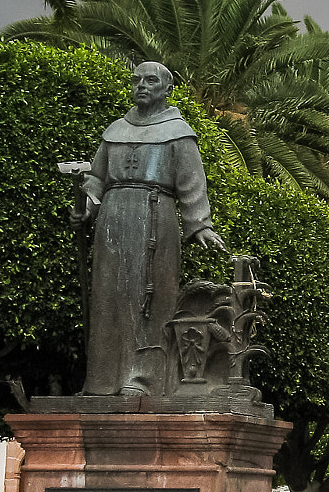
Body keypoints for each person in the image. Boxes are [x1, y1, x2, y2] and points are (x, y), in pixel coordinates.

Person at [71, 62, 227, 396]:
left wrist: (199, 224)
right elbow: (96, 178)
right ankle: (101, 380)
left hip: (156, 217)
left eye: (151, 80)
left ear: (167, 89)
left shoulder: (179, 132)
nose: (142, 85)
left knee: (150, 298)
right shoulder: (115, 129)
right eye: (137, 80)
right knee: (108, 297)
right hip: (112, 218)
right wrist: (86, 206)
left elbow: (191, 182)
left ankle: (143, 380)